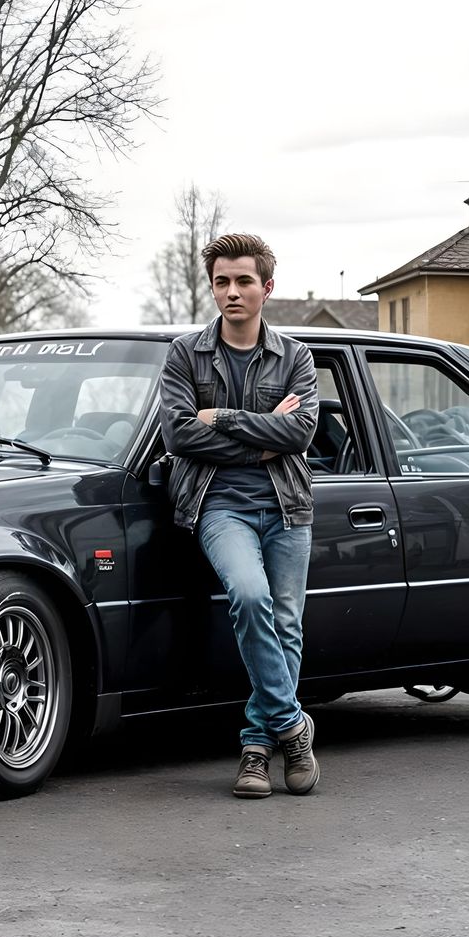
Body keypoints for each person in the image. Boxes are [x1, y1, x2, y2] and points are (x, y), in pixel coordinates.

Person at [159, 233, 321, 798]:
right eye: (222, 282)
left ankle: (256, 746)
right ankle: (293, 729)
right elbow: (178, 435)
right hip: (218, 504)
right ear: (212, 287)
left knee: (287, 624)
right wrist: (262, 437)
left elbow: (300, 432)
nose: (232, 292)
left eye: (243, 281)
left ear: (266, 288)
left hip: (286, 505)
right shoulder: (186, 353)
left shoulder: (295, 356)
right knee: (249, 597)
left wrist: (222, 418)